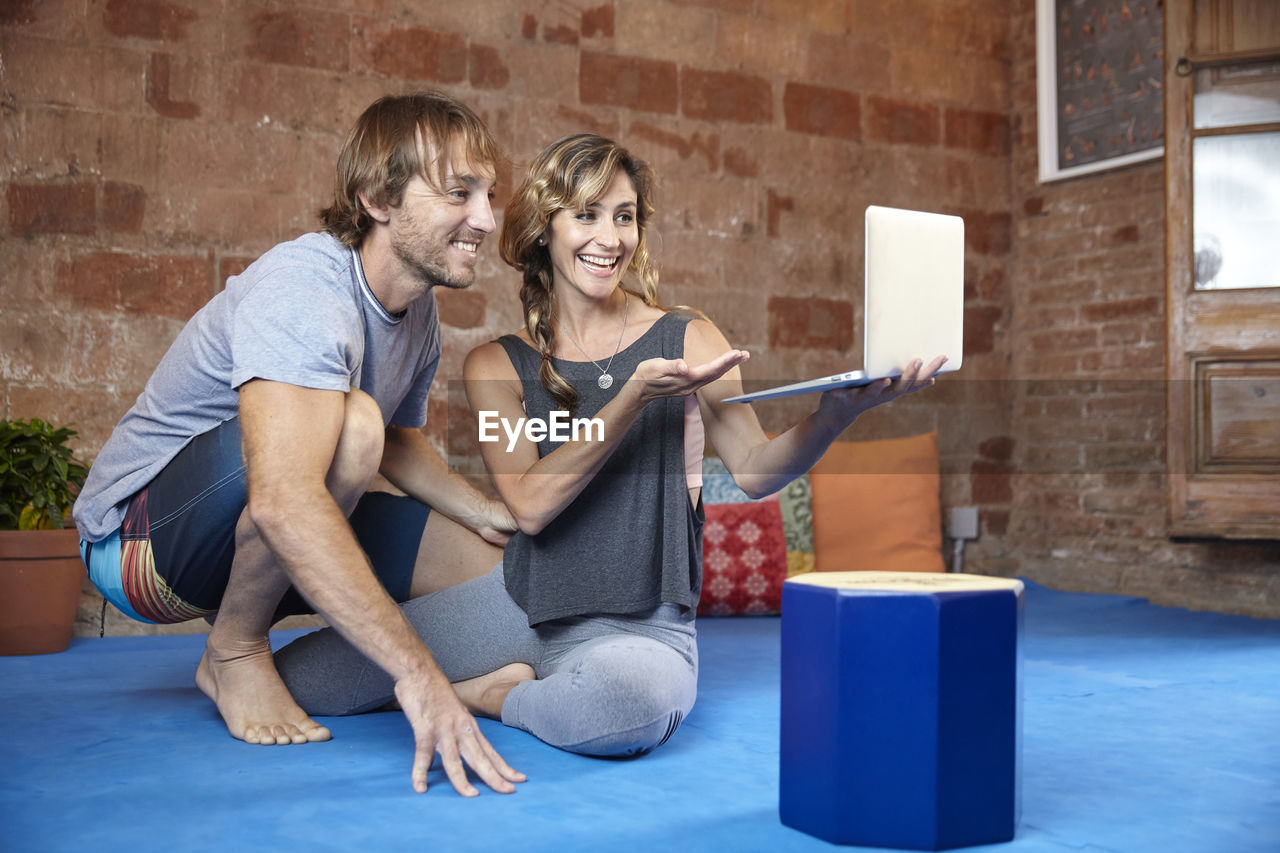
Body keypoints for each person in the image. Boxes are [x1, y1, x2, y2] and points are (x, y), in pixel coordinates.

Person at [273, 133, 947, 757]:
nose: (609, 237)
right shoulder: (497, 366)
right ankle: (518, 671)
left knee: (627, 710)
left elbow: (753, 468)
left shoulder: (688, 337)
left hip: (642, 627)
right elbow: (531, 506)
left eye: (624, 217)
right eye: (587, 215)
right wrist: (629, 400)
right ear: (545, 229)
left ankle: (498, 693)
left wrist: (832, 418)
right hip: (522, 602)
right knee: (301, 680)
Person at [73, 92, 527, 796]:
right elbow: (286, 500)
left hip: (270, 525)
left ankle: (435, 677)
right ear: (378, 195)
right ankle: (233, 648)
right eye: (458, 193)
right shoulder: (304, 288)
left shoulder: (417, 312)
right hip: (140, 547)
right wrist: (419, 674)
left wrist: (483, 512)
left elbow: (399, 444)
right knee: (354, 427)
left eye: (489, 194)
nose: (486, 219)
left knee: (499, 578)